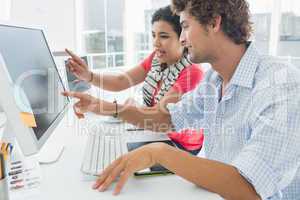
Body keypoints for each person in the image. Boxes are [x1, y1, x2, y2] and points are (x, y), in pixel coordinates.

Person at [63, 0, 300, 199]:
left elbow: (250, 188)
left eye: (185, 26)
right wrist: (101, 106)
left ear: (214, 22)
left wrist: (159, 153)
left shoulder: (280, 82)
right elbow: (166, 118)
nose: (183, 38)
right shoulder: (214, 80)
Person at [65, 5, 204, 155]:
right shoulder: (156, 59)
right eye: (153, 35)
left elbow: (161, 117)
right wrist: (89, 76)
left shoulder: (192, 73)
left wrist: (103, 106)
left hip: (179, 146)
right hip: (156, 134)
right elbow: (121, 81)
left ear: (182, 38)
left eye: (163, 36)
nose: (156, 43)